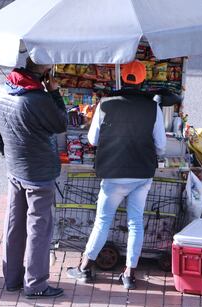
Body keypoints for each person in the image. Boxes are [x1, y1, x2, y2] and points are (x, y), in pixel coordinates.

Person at [67, 60, 167, 290]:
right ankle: (130, 275)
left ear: (121, 79)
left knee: (102, 221)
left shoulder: (105, 104)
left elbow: (92, 140)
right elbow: (160, 146)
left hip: (112, 174)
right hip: (142, 173)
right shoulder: (153, 108)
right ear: (142, 81)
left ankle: (84, 268)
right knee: (136, 222)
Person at [0, 57, 67, 298]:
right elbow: (61, 123)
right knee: (39, 229)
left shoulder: (1, 91)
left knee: (14, 223)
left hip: (15, 170)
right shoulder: (39, 99)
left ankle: (11, 279)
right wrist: (54, 93)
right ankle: (36, 284)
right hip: (39, 174)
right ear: (44, 72)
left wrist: (8, 154)